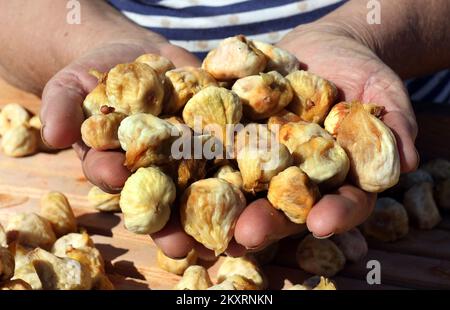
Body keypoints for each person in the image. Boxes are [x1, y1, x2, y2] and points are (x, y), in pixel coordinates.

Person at [1, 0, 449, 260]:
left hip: (422, 99)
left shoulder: (287, 116)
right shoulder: (169, 111)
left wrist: (361, 32)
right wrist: (89, 42)